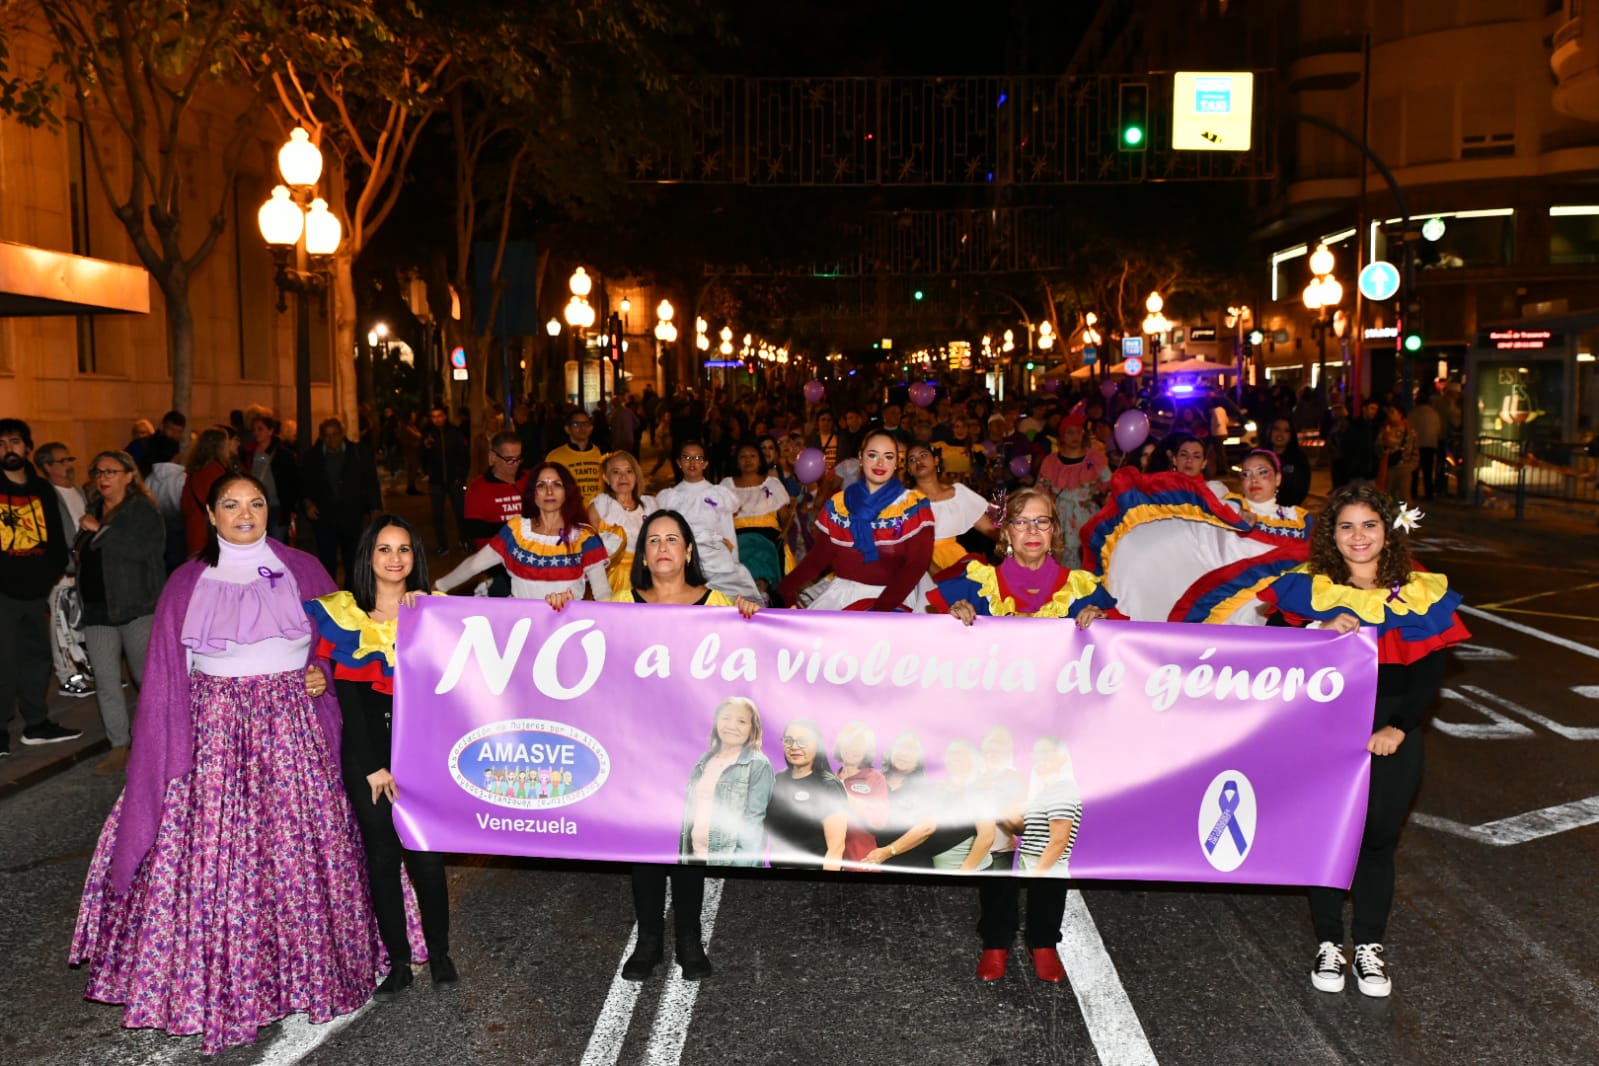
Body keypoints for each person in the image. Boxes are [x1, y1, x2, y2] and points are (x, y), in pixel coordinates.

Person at [70, 474, 381, 1054]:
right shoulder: (187, 581)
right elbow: (165, 676)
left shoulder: (305, 569)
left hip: (292, 731)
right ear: (210, 515)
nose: (245, 514)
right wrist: (168, 750)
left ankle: (305, 974)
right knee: (221, 861)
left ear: (271, 510)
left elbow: (345, 644)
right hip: (214, 737)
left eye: (256, 503)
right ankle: (221, 986)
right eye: (232, 505)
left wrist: (323, 674)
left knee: (296, 858)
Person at [1260, 484, 1468, 999]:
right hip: (1322, 733)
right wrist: (1318, 626)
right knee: (1328, 837)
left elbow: (1429, 671)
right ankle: (1329, 942)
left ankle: (1370, 945)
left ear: (1387, 531)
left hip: (1393, 735)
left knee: (1378, 841)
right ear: (1331, 534)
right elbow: (1273, 658)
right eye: (1347, 526)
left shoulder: (1417, 590)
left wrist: (1399, 726)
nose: (1359, 536)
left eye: (1369, 525)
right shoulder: (1309, 589)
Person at [305, 514, 456, 1001]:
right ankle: (397, 963)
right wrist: (372, 766)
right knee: (383, 859)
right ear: (368, 558)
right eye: (385, 550)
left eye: (405, 549)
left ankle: (441, 954)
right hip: (368, 760)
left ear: (417, 558)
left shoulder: (435, 613)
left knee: (428, 860)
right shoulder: (346, 616)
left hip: (424, 759)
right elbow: (351, 706)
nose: (395, 559)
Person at [614, 511, 761, 982]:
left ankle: (689, 940)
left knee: (690, 841)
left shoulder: (718, 602)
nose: (662, 547)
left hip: (695, 745)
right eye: (653, 539)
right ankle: (648, 941)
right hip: (639, 743)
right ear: (643, 554)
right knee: (646, 845)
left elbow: (750, 656)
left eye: (672, 539)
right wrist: (561, 605)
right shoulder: (622, 602)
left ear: (689, 551)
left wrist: (753, 621)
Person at [77, 451, 167, 775]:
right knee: (106, 681)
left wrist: (100, 529)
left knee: (147, 679)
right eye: (98, 471)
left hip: (136, 607)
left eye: (111, 471)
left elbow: (143, 551)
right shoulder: (94, 508)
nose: (102, 478)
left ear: (130, 476)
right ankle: (119, 746)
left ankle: (159, 740)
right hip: (98, 610)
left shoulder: (141, 510)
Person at [777, 430, 934, 612]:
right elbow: (818, 560)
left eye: (888, 457)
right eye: (873, 455)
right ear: (860, 458)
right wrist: (786, 588)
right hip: (844, 597)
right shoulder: (839, 505)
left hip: (894, 600)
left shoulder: (913, 506)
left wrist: (879, 611)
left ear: (897, 463)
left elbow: (916, 565)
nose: (880, 463)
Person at [0, 418, 81, 753]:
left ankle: (36, 724)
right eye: (1, 444)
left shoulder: (42, 488)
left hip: (36, 592)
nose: (8, 449)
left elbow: (57, 538)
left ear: (28, 447)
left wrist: (48, 574)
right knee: (3, 662)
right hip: (2, 593)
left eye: (15, 442)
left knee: (37, 658)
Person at [433, 461, 609, 605]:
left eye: (557, 484)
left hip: (565, 630)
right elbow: (474, 564)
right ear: (534, 494)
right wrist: (438, 587)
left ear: (567, 493)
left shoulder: (585, 537)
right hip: (520, 627)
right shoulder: (516, 531)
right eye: (541, 485)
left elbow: (602, 593)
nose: (549, 491)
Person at [655, 440, 763, 602]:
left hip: (716, 559)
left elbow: (727, 530)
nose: (693, 463)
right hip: (683, 559)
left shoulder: (718, 494)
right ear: (679, 462)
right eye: (687, 458)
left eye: (698, 458)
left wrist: (732, 561)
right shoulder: (670, 498)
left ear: (705, 464)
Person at [35, 442, 95, 699]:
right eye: (62, 461)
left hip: (81, 569)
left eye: (70, 459)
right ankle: (66, 676)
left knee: (78, 624)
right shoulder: (45, 493)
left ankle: (84, 668)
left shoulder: (78, 490)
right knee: (59, 628)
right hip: (61, 572)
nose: (69, 465)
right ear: (47, 467)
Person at [300, 417, 383, 584]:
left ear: (342, 434)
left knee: (352, 559)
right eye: (327, 435)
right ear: (322, 436)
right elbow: (303, 484)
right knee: (326, 560)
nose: (332, 439)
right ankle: (330, 597)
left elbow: (370, 481)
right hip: (324, 516)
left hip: (351, 514)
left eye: (335, 434)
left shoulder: (358, 453)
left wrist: (375, 508)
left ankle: (351, 596)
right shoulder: (312, 457)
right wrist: (307, 503)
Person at [765, 718, 849, 870]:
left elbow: (836, 849)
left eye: (803, 740)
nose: (794, 746)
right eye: (788, 740)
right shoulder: (777, 779)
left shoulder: (829, 786)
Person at [905, 442, 996, 576]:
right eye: (912, 460)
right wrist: (942, 577)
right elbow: (913, 549)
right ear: (909, 470)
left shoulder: (959, 493)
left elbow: (990, 529)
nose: (918, 461)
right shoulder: (906, 501)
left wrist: (1015, 544)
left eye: (923, 455)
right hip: (923, 566)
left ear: (936, 460)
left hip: (955, 558)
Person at [1035, 409, 1112, 566]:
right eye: (1070, 433)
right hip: (1060, 520)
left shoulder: (1090, 460)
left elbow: (1107, 481)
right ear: (1062, 436)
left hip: (1087, 519)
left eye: (1078, 432)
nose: (1075, 437)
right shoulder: (1052, 463)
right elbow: (1040, 490)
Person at [461, 430, 529, 597]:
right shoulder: (478, 488)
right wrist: (511, 527)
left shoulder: (530, 479)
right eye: (508, 460)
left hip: (531, 565)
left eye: (518, 458)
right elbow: (472, 528)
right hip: (497, 569)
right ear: (492, 457)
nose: (514, 464)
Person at [722, 441, 793, 601]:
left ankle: (762, 589)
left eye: (752, 456)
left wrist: (785, 532)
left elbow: (785, 516)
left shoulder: (772, 484)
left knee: (764, 548)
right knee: (741, 547)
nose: (748, 460)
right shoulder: (726, 485)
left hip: (768, 532)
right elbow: (719, 516)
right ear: (737, 461)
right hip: (736, 533)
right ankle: (747, 593)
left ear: (760, 459)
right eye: (743, 457)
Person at [588, 450, 657, 599]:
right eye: (616, 472)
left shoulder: (650, 506)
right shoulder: (600, 507)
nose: (623, 477)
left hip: (647, 579)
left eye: (629, 471)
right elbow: (588, 553)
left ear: (636, 476)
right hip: (611, 582)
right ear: (606, 477)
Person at [832, 721, 890, 866]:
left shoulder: (875, 779)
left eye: (859, 745)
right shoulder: (829, 778)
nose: (853, 749)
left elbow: (879, 822)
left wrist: (843, 793)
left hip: (861, 861)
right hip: (829, 861)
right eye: (848, 743)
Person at [181, 427, 237, 556]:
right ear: (219, 447)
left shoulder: (194, 472)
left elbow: (184, 504)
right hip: (209, 537)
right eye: (227, 443)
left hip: (194, 533)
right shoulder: (215, 472)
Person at [421, 404, 469, 554]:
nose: (437, 419)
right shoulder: (428, 435)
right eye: (434, 416)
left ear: (445, 416)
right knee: (438, 515)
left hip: (454, 480)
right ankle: (443, 545)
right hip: (436, 481)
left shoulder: (455, 433)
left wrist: (461, 476)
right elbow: (422, 456)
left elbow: (464, 456)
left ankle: (464, 541)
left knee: (461, 513)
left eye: (439, 416)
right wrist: (427, 471)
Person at [243, 414, 299, 544]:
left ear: (270, 431)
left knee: (276, 544)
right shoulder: (249, 453)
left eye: (260, 429)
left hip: (276, 507)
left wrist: (291, 508)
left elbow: (291, 482)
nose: (256, 433)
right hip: (255, 506)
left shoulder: (282, 454)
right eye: (254, 429)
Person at [545, 409, 605, 505]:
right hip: (570, 513)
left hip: (598, 513)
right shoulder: (555, 457)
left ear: (591, 428)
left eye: (586, 424)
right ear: (567, 429)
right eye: (576, 424)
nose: (582, 428)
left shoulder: (601, 453)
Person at [1265, 418, 1312, 508]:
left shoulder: (1299, 458)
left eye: (1286, 431)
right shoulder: (1260, 456)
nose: (1280, 434)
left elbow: (1301, 489)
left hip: (1289, 511)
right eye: (1276, 429)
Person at [1379, 405, 1420, 500]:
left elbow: (1415, 449)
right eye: (1389, 412)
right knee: (1388, 496)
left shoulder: (1409, 430)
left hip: (1404, 468)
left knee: (1404, 497)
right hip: (1389, 467)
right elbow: (1378, 446)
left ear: (1400, 414)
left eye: (1392, 412)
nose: (1390, 415)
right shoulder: (1385, 429)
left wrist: (1412, 465)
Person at [1409, 394, 1444, 500]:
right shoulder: (1434, 414)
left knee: (1414, 470)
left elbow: (1409, 427)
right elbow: (1439, 429)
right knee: (1427, 471)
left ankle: (1413, 492)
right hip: (1430, 444)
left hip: (1416, 444)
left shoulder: (1413, 413)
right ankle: (1429, 493)